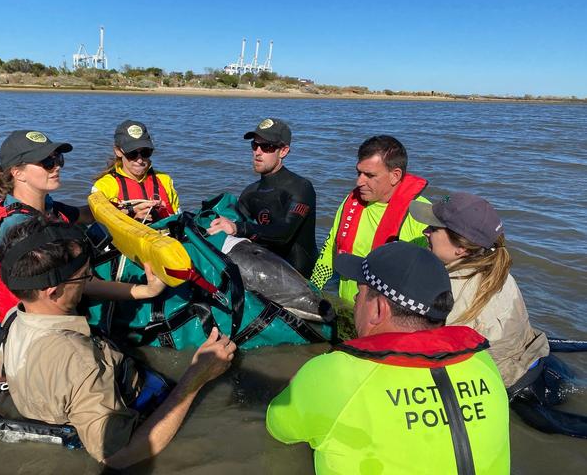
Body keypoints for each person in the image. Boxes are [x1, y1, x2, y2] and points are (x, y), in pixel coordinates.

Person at [0, 217, 235, 468]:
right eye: (84, 276)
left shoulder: (14, 317)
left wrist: (146, 291)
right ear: (52, 292)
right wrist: (196, 377)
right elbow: (118, 457)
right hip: (128, 422)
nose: (90, 279)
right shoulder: (79, 361)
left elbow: (4, 376)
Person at [266, 241, 510, 474]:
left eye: (360, 292)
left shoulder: (334, 373)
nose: (354, 299)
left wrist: (300, 385)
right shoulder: (483, 361)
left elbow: (278, 429)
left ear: (379, 309)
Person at [409, 192, 550, 389]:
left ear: (462, 249)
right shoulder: (498, 270)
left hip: (504, 386)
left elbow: (427, 356)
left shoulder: (445, 290)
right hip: (534, 359)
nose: (425, 231)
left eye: (433, 228)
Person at [0, 129, 102, 322]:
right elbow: (58, 286)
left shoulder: (44, 206)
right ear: (18, 173)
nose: (57, 167)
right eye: (47, 163)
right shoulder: (18, 226)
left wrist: (122, 208)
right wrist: (141, 291)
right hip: (35, 323)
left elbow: (83, 215)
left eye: (58, 159)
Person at [310, 135, 429, 306]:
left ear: (395, 175)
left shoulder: (422, 216)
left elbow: (426, 281)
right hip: (347, 308)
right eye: (358, 172)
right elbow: (329, 251)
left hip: (387, 318)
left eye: (369, 175)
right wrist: (314, 291)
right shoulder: (350, 202)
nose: (359, 182)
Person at [207, 118, 317, 278]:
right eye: (254, 145)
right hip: (266, 273)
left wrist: (238, 228)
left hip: (300, 278)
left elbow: (284, 234)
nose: (257, 152)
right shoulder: (250, 192)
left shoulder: (301, 188)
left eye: (266, 146)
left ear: (284, 151)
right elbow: (236, 228)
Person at [92, 120, 180, 223]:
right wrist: (133, 216)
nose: (139, 160)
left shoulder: (165, 180)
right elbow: (103, 221)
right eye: (132, 154)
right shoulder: (104, 186)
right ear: (118, 151)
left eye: (145, 152)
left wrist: (163, 212)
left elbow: (178, 215)